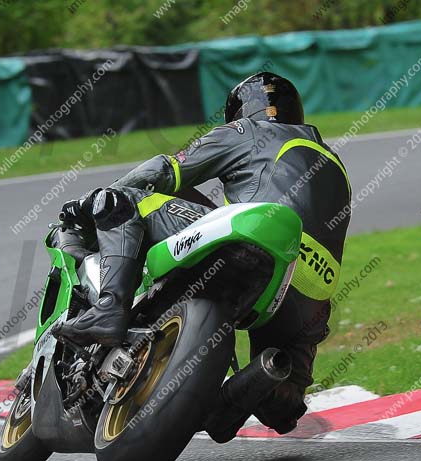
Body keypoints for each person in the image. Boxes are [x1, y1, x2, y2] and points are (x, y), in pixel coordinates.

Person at [53, 72, 351, 440]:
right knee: (282, 405)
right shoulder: (336, 165)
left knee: (124, 202)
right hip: (310, 293)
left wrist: (94, 202)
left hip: (255, 240)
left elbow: (164, 172)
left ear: (240, 113)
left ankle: (109, 310)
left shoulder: (246, 132)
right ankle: (237, 397)